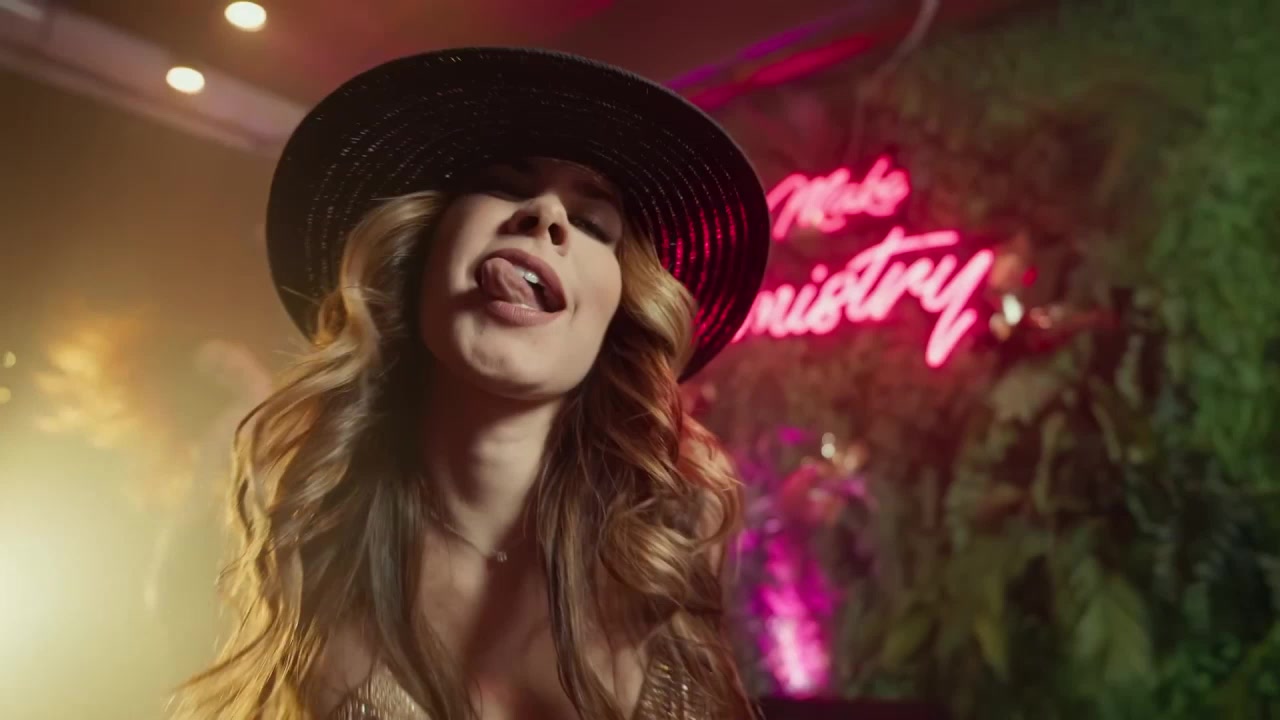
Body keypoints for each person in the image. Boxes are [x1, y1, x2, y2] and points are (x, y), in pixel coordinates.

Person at [177, 47, 771, 719]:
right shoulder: (297, 535)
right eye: (505, 187)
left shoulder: (671, 548)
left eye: (591, 223)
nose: (545, 215)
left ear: (619, 320)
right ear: (419, 259)